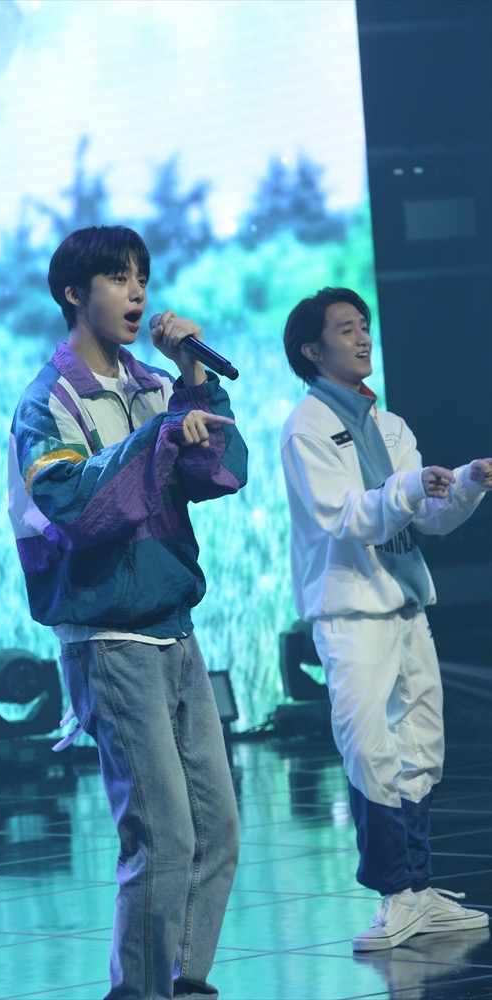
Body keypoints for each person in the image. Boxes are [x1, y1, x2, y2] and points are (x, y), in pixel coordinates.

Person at [8, 225, 248, 999]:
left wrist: (193, 382)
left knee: (216, 831)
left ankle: (185, 981)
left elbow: (221, 471)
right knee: (163, 835)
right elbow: (78, 507)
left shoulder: (153, 382)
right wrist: (159, 434)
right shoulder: (47, 402)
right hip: (110, 639)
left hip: (175, 630)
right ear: (74, 293)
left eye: (142, 275)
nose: (137, 291)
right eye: (118, 277)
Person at [279, 286, 491, 952]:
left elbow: (423, 518)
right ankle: (394, 893)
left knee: (422, 743)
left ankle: (420, 889)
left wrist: (464, 483)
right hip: (350, 610)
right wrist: (407, 487)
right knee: (369, 748)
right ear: (312, 351)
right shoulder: (306, 427)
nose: (363, 337)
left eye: (364, 325)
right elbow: (343, 515)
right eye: (346, 329)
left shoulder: (391, 425)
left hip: (406, 603)